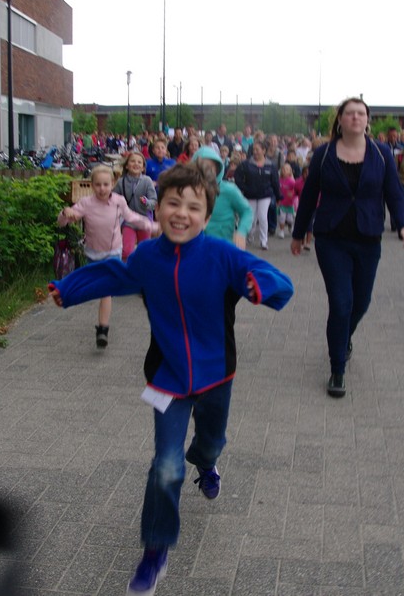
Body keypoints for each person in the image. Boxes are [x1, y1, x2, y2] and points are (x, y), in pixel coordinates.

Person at [49, 162, 294, 596]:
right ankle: (155, 550)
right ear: (157, 208)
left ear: (206, 215)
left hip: (216, 374)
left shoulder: (222, 256)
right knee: (165, 466)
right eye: (173, 204)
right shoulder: (148, 258)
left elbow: (278, 280)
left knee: (210, 443)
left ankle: (207, 462)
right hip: (167, 377)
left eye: (193, 207)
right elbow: (113, 274)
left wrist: (260, 285)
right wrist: (68, 290)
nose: (182, 213)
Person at [290, 97, 404, 397]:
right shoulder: (324, 154)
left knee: (361, 303)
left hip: (368, 238)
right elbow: (309, 195)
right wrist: (298, 233)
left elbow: (394, 193)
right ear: (340, 120)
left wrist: (403, 224)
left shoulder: (381, 153)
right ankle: (337, 369)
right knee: (341, 303)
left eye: (361, 113)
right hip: (331, 238)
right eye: (350, 113)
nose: (356, 117)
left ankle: (344, 337)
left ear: (367, 120)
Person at [57, 164, 158, 348]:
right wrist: (65, 213)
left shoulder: (119, 201)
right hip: (93, 253)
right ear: (92, 185)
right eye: (98, 185)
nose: (102, 189)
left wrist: (153, 226)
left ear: (112, 184)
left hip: (113, 252)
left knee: (106, 291)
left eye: (106, 184)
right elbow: (63, 222)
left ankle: (102, 329)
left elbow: (132, 217)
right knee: (95, 287)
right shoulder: (86, 203)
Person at [193, 146, 253, 249]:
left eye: (210, 167)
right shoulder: (187, 190)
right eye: (201, 166)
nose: (205, 170)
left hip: (222, 246)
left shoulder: (229, 190)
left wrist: (241, 231)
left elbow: (247, 211)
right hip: (194, 246)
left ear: (218, 169)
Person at [234, 140, 281, 250]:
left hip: (265, 195)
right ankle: (250, 236)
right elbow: (238, 178)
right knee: (251, 218)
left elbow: (275, 182)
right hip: (250, 195)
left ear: (264, 151)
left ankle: (264, 240)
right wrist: (245, 188)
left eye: (257, 150)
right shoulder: (245, 164)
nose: (255, 152)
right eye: (253, 150)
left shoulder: (271, 165)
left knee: (263, 216)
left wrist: (278, 196)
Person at [114, 151, 159, 262]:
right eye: (132, 161)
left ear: (143, 167)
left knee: (145, 251)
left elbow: (154, 202)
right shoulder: (121, 182)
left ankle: (142, 270)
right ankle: (127, 269)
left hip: (144, 221)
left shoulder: (147, 181)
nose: (136, 164)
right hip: (128, 222)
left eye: (139, 162)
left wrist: (147, 202)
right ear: (127, 166)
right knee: (126, 251)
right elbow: (113, 199)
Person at [276, 162, 299, 238]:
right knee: (282, 218)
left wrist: (292, 194)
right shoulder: (279, 180)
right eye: (283, 169)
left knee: (290, 219)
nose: (284, 170)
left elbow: (296, 190)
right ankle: (281, 231)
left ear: (290, 171)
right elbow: (277, 189)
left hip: (290, 204)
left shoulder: (292, 181)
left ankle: (291, 226)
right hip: (281, 203)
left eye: (286, 169)